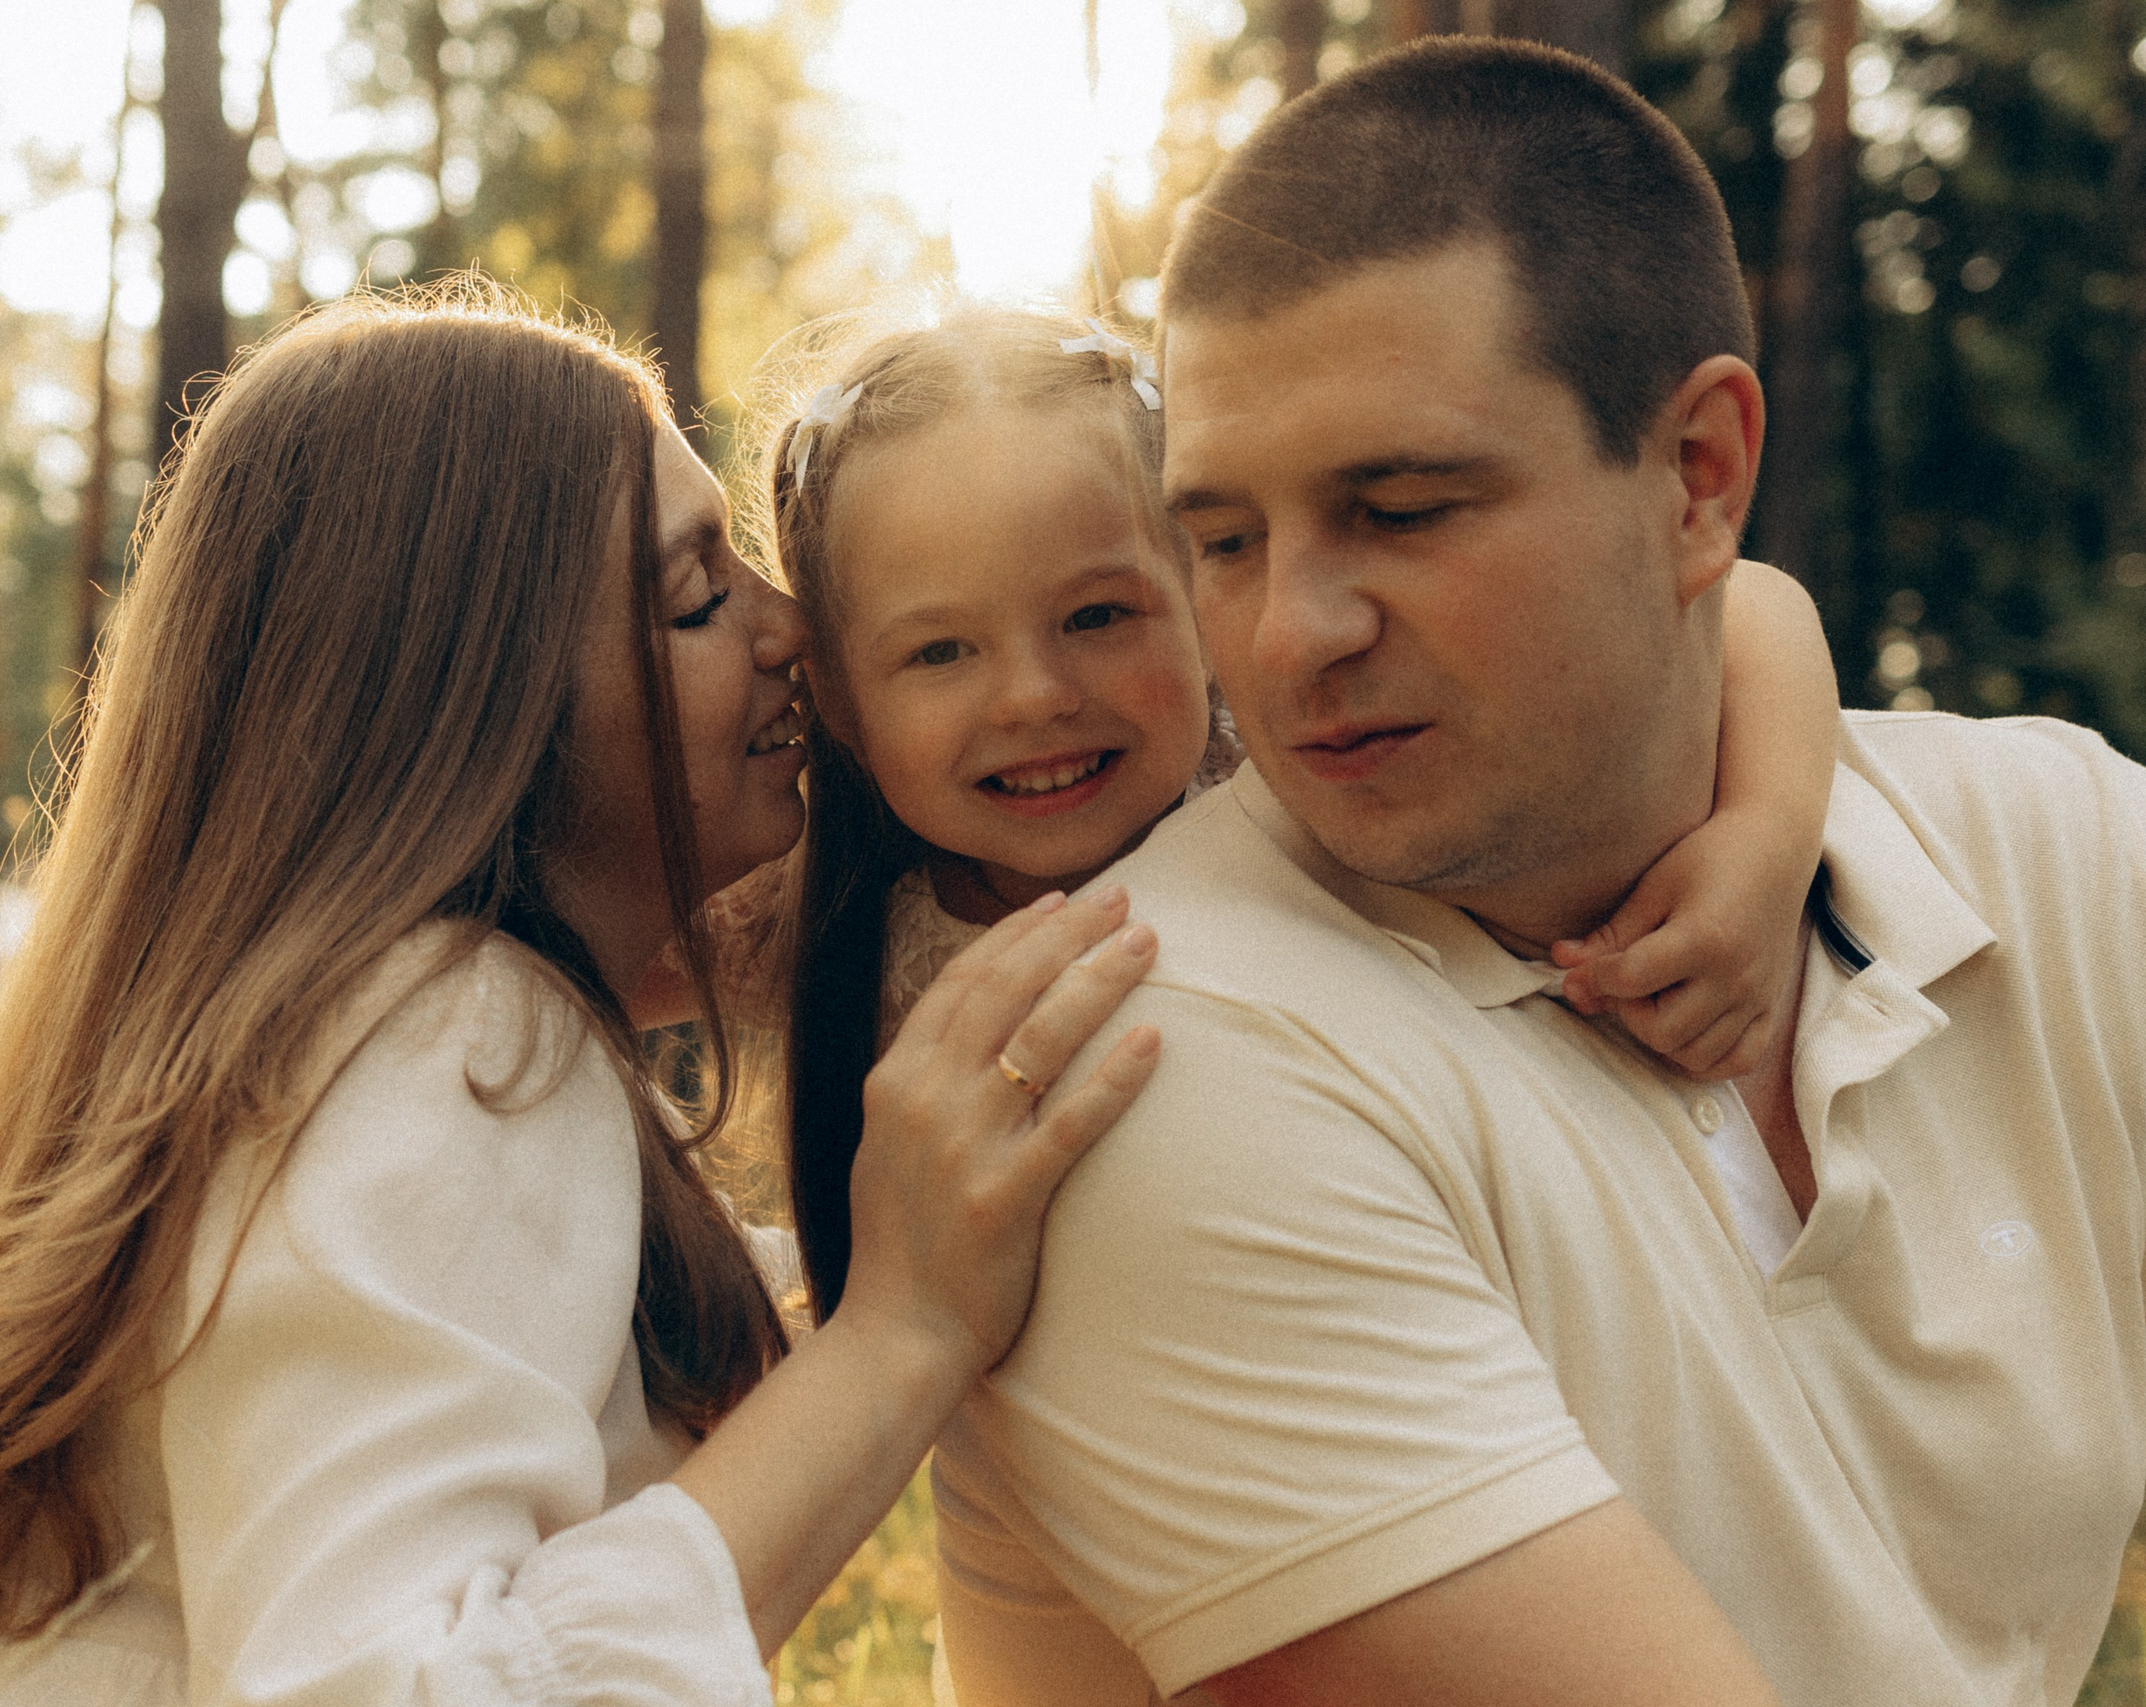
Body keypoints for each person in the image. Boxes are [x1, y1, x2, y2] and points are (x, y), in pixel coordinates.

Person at [929, 39, 2146, 1707]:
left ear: (1701, 477)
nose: (1288, 637)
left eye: (1405, 509)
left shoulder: (2062, 852)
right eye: (1221, 538)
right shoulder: (1160, 1057)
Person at [0, 287, 1169, 1707]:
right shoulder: (448, 1037)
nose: (794, 629)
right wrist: (902, 1327)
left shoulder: (346, 1046)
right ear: (478, 708)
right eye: (699, 596)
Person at [733, 304, 1837, 1319]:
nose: (1032, 697)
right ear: (831, 686)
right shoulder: (828, 930)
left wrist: (1767, 838)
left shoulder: (1309, 782)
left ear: (1209, 594)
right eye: (939, 650)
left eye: (1098, 615)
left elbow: (1744, 601)